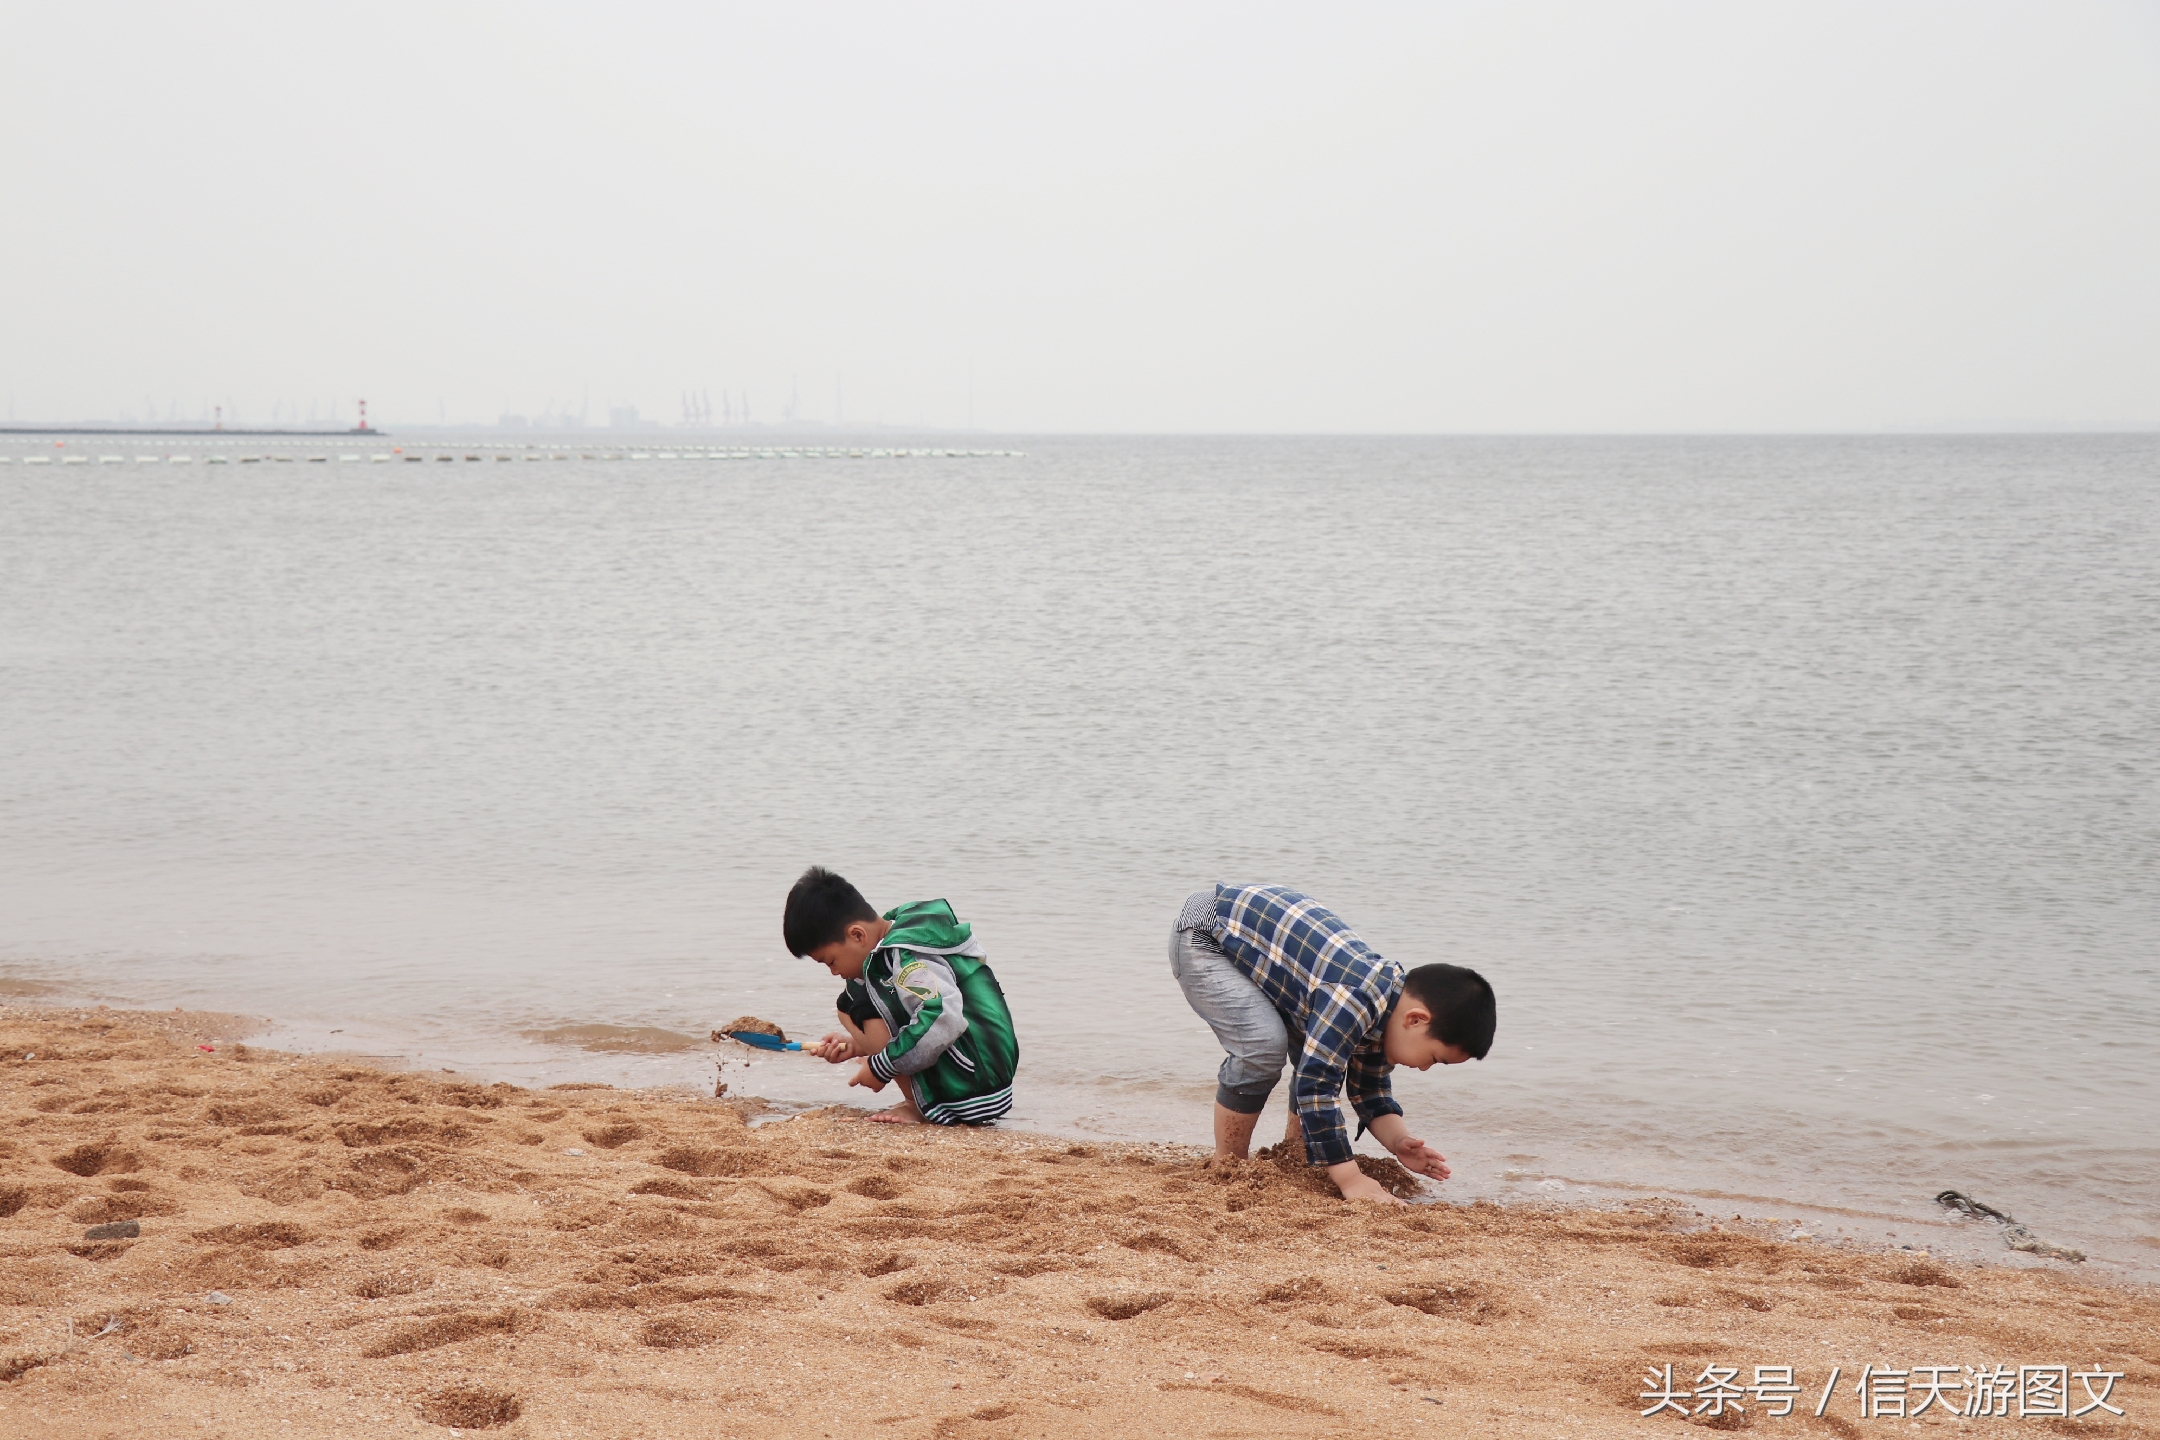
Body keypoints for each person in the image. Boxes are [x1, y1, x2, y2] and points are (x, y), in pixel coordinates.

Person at [1170, 884, 1494, 1203]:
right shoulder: (1354, 999)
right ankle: (1229, 1164)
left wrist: (1400, 1141)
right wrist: (1350, 1179)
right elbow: (1316, 1088)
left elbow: (1370, 1092)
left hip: (1268, 953)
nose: (1424, 1067)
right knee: (1264, 1048)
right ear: (1415, 1019)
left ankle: (1296, 1151)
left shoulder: (1386, 1017)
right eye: (1434, 1058)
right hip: (1208, 934)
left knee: (1315, 1052)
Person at [783, 866, 1019, 1126]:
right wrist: (856, 1046)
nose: (833, 972)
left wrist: (881, 1066)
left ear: (857, 935)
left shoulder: (908, 961)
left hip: (973, 1091)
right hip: (982, 1078)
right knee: (853, 1000)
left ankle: (917, 1105)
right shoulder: (902, 933)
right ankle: (915, 1094)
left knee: (859, 1006)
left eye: (830, 961)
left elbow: (944, 1018)